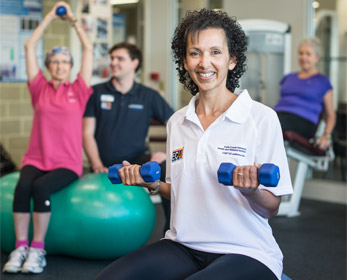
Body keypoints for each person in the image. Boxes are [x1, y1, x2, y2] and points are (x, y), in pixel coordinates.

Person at [95, 9, 293, 280]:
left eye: (215, 52)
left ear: (232, 60)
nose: (204, 63)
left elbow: (272, 206)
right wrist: (151, 184)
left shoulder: (260, 118)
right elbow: (181, 191)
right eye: (195, 53)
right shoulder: (177, 122)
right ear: (185, 61)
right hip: (184, 244)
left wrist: (250, 190)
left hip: (246, 250)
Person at [2, 1, 93, 274]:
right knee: (22, 188)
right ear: (49, 65)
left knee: (41, 189)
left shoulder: (79, 89)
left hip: (66, 163)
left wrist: (74, 22)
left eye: (65, 62)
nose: (60, 65)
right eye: (55, 61)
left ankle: (37, 249)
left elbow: (88, 49)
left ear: (70, 66)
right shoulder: (38, 88)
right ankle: (20, 247)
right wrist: (51, 16)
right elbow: (29, 46)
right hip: (36, 158)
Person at [83, 42, 174, 232]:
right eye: (112, 58)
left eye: (120, 59)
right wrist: (96, 163)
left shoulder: (149, 96)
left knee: (167, 171)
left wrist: (165, 154)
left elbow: (178, 127)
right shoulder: (96, 92)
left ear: (134, 63)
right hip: (104, 163)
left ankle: (169, 233)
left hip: (136, 160)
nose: (113, 62)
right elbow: (87, 133)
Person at [274, 37, 336, 150]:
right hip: (280, 116)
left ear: (316, 58)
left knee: (269, 124)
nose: (304, 57)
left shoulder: (322, 81)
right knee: (260, 119)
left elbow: (331, 115)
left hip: (303, 121)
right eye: (301, 53)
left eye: (308, 54)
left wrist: (326, 135)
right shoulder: (289, 77)